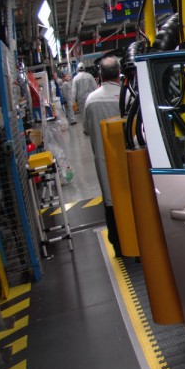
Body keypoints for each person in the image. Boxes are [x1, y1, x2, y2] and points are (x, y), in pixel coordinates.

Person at [82, 55, 122, 253]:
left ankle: (117, 244)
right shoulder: (127, 96)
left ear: (99, 75)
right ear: (119, 73)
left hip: (104, 161)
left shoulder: (91, 100)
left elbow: (87, 130)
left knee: (110, 200)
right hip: (128, 160)